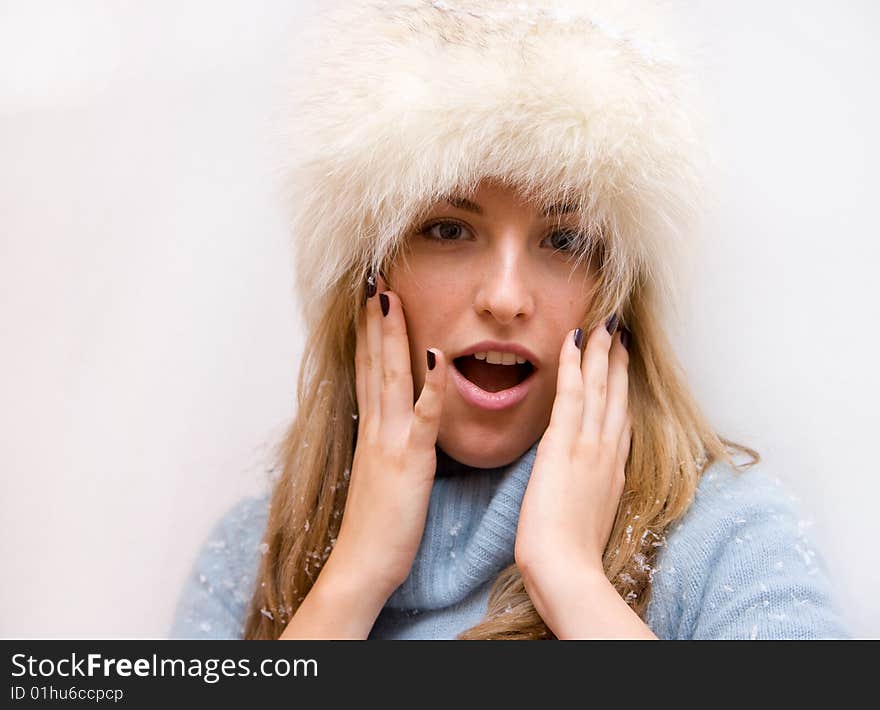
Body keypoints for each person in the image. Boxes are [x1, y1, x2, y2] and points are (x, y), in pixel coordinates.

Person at [168, 0, 851, 640]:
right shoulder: (253, 555)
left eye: (564, 241)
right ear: (370, 273)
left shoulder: (724, 537)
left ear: (617, 293)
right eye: (446, 228)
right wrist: (354, 580)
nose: (504, 296)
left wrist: (573, 583)